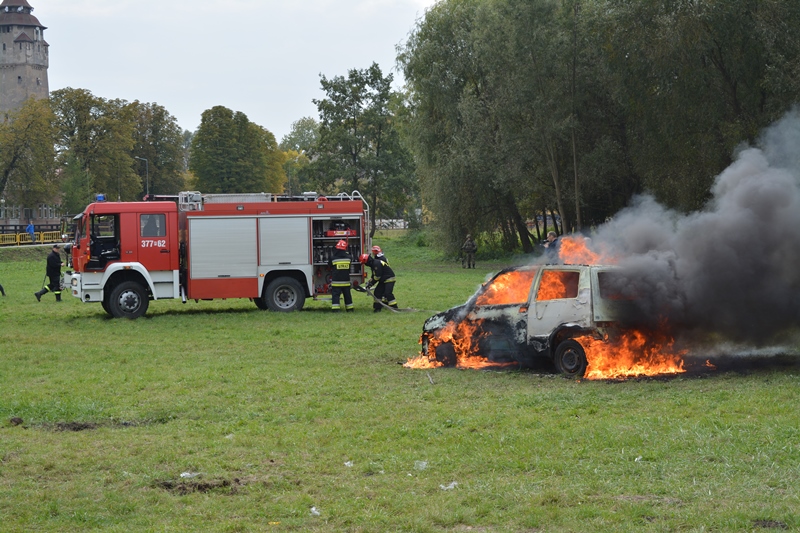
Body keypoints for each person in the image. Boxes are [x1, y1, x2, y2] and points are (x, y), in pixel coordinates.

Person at [360, 246, 398, 312]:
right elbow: (374, 275)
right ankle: (377, 308)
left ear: (367, 261)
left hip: (389, 278)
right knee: (377, 292)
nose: (365, 265)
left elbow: (377, 276)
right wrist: (369, 282)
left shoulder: (376, 264)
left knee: (388, 293)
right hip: (383, 279)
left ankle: (394, 307)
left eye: (365, 263)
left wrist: (371, 284)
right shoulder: (373, 264)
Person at [328, 240, 354, 312]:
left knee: (336, 296)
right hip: (346, 281)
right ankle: (350, 309)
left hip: (336, 282)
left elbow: (329, 265)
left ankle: (336, 310)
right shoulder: (349, 258)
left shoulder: (333, 258)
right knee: (347, 296)